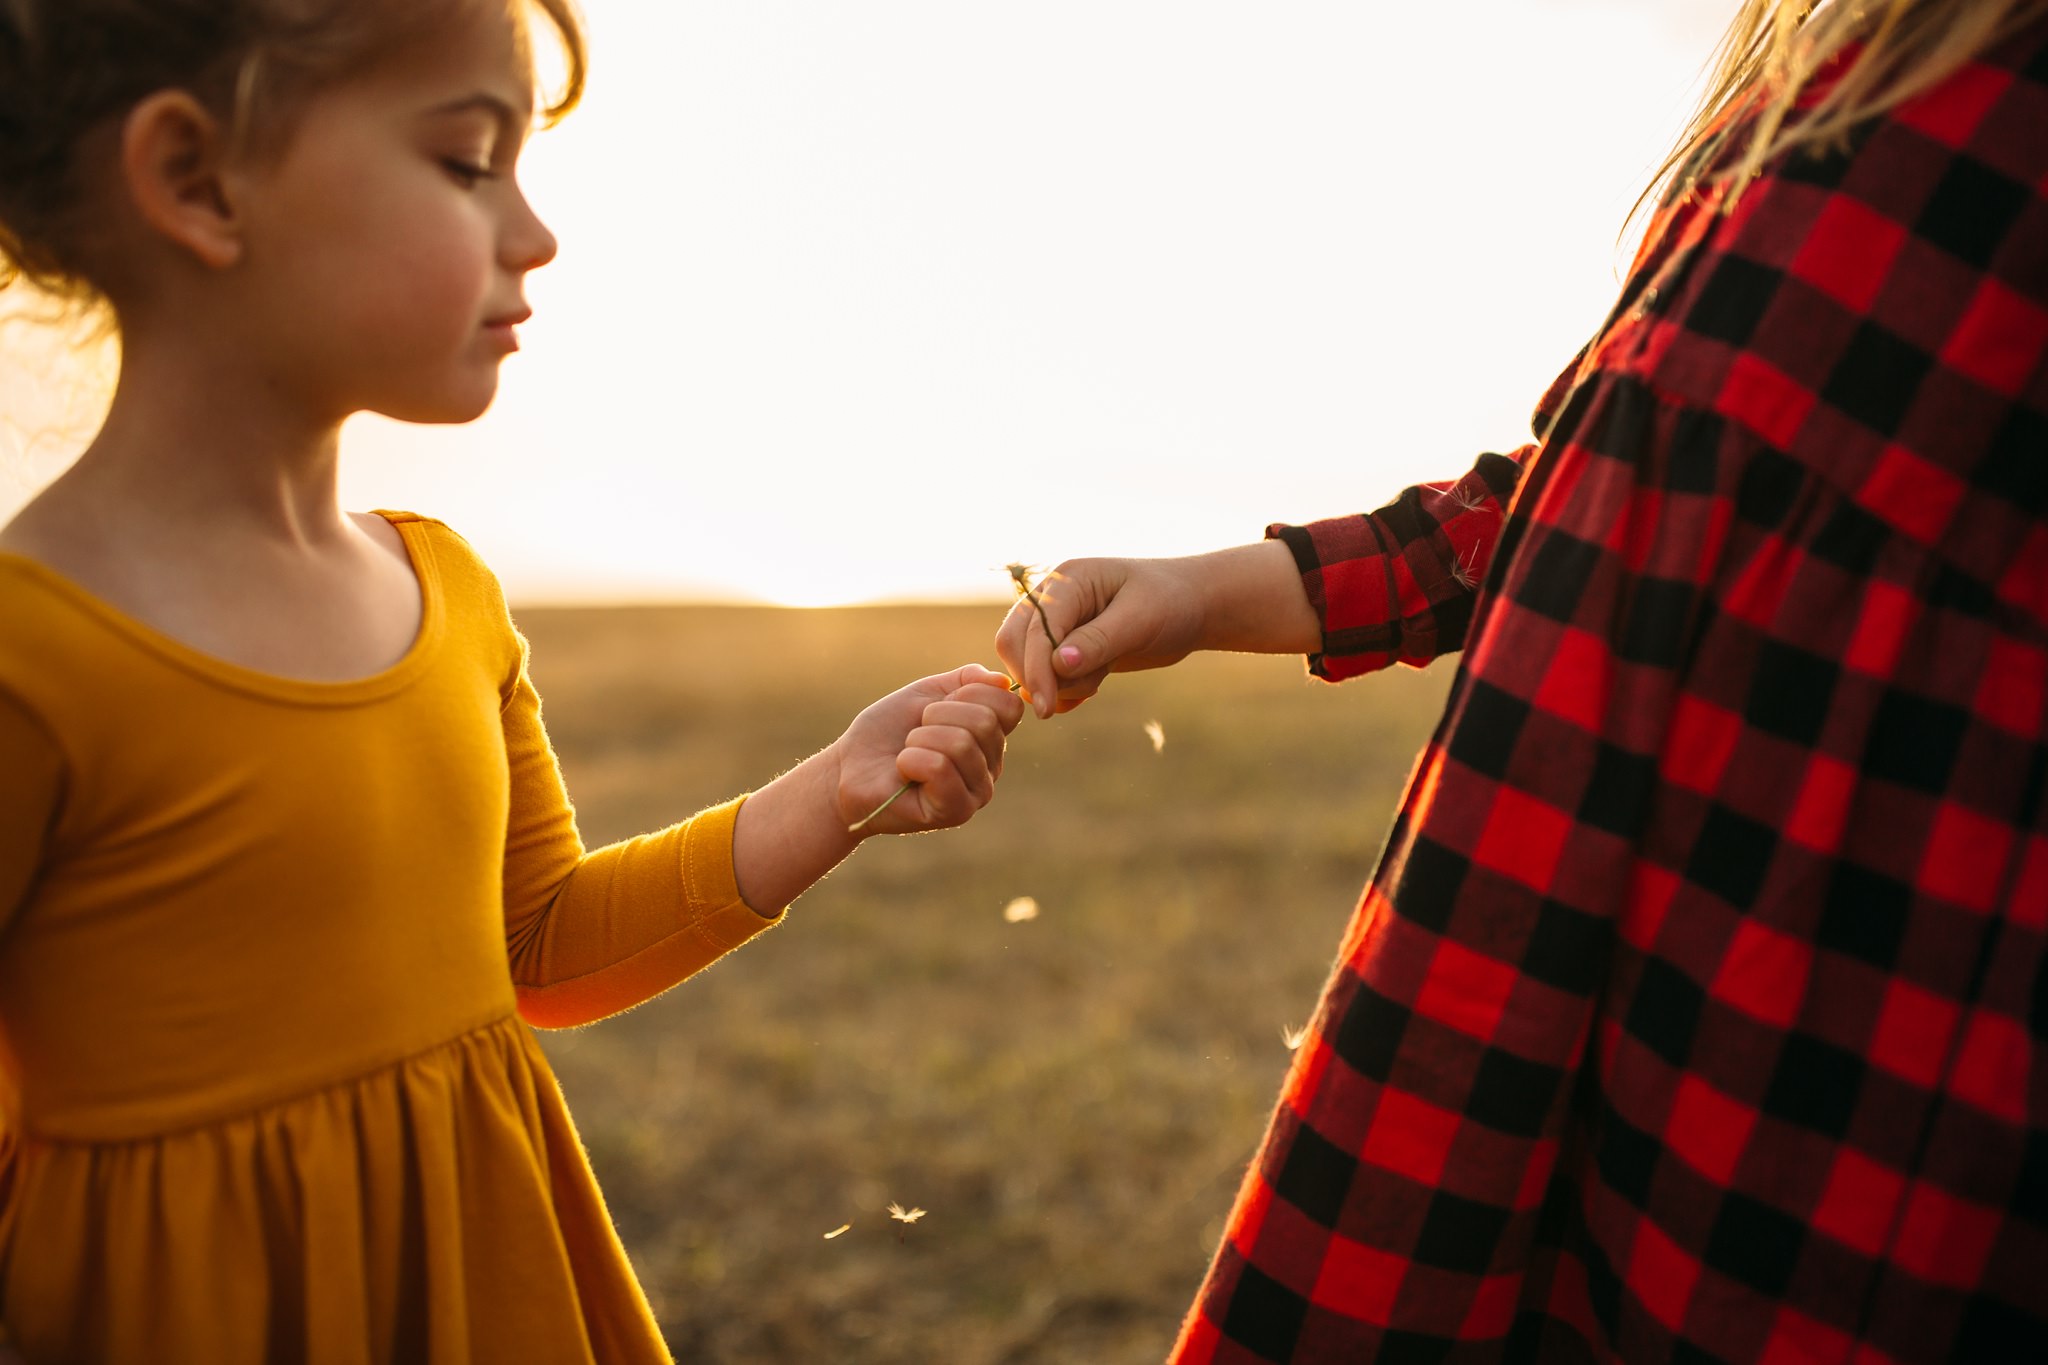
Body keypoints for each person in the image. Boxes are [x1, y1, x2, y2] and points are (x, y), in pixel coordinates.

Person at [999, 0, 2047, 1359]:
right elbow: (1620, 482)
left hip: (1847, 1062)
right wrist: (1207, 593)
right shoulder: (1854, 63)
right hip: (1610, 1000)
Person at [0, 1, 1026, 1360]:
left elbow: (534, 946)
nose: (535, 234)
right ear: (197, 181)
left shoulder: (450, 592)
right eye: (468, 162)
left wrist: (836, 788)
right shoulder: (36, 658)